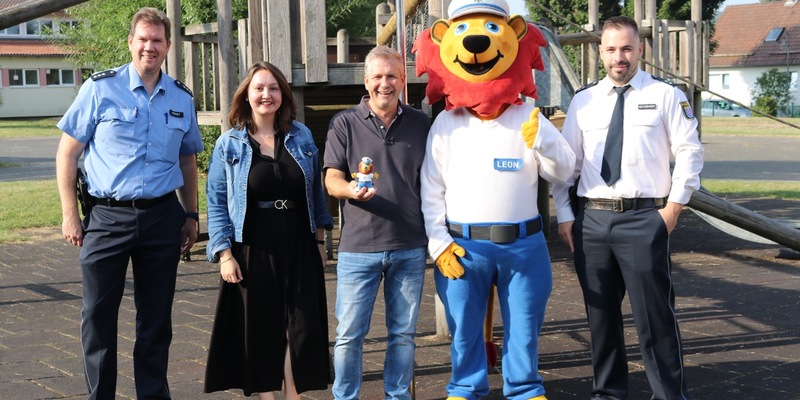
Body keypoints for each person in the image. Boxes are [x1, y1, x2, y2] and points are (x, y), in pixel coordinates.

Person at [552, 15, 704, 400]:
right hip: (593, 220)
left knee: (655, 319)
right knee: (600, 317)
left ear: (639, 50)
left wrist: (672, 209)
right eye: (611, 49)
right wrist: (566, 215)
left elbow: (690, 152)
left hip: (644, 218)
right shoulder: (584, 101)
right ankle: (608, 393)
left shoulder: (667, 95)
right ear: (600, 52)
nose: (619, 56)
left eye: (626, 48)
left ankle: (669, 395)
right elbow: (568, 165)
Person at [55, 7, 203, 399]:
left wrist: (191, 214)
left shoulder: (180, 97)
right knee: (98, 318)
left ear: (168, 46)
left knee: (155, 321)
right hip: (106, 218)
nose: (149, 47)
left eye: (157, 40)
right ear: (130, 43)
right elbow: (68, 152)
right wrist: (70, 214)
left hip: (162, 217)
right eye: (143, 39)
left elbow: (188, 159)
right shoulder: (101, 88)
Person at [203, 61, 334, 399]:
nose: (266, 94)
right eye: (259, 88)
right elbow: (216, 200)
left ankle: (294, 395)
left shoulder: (301, 135)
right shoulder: (229, 144)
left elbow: (315, 192)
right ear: (246, 95)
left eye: (273, 88)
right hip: (252, 243)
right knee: (261, 326)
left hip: (298, 240)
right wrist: (224, 254)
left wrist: (320, 240)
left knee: (300, 325)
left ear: (283, 95)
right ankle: (266, 396)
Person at [323, 45, 431, 400]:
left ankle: (397, 396)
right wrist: (350, 190)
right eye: (378, 77)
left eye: (392, 76)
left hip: (409, 245)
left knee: (403, 334)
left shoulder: (421, 123)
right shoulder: (345, 122)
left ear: (403, 79)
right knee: (350, 334)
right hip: (359, 246)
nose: (385, 84)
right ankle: (346, 396)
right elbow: (331, 178)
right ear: (366, 80)